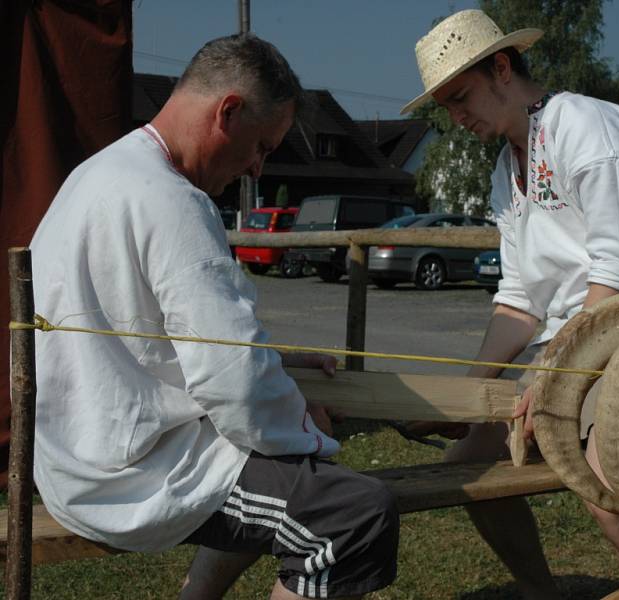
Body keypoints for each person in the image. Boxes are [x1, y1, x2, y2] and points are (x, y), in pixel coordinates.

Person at [30, 34, 398, 600]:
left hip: (73, 455)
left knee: (272, 464)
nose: (256, 168)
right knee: (354, 515)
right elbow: (237, 387)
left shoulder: (98, 174)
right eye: (263, 147)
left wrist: (272, 363)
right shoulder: (172, 200)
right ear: (228, 111)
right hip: (126, 478)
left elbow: (150, 342)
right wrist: (306, 431)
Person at [402, 9, 619, 600]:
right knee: (468, 465)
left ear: (502, 67)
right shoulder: (504, 168)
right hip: (577, 340)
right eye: (445, 106)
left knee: (607, 483)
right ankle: (545, 592)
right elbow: (519, 301)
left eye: (461, 97)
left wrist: (551, 372)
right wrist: (471, 392)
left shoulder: (583, 127)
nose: (457, 117)